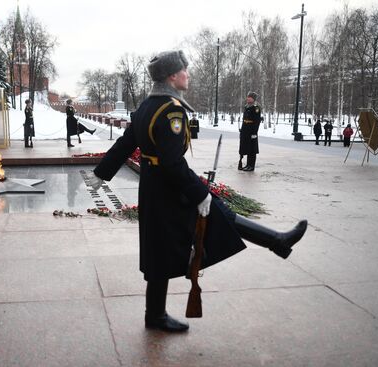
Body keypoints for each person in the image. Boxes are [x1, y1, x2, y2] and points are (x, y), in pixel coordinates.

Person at [87, 50, 307, 333]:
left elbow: (125, 144)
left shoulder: (145, 107)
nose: (187, 74)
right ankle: (276, 241)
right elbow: (171, 162)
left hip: (154, 188)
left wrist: (100, 173)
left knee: (165, 245)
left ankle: (276, 241)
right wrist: (199, 193)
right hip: (170, 189)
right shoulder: (171, 111)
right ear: (171, 76)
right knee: (210, 217)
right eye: (184, 70)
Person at [238, 91, 261, 171]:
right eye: (248, 97)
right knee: (247, 148)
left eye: (250, 97)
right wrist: (242, 130)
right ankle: (248, 165)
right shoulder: (247, 106)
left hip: (252, 130)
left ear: (253, 99)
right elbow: (244, 120)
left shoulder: (256, 107)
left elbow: (257, 121)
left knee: (252, 149)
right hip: (246, 130)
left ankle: (251, 166)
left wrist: (254, 132)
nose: (248, 98)